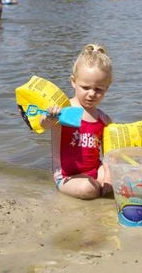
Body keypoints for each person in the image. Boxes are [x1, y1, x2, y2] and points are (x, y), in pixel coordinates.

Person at [40, 43, 113, 200]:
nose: (91, 94)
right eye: (85, 87)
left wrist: (108, 178)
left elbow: (108, 155)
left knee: (117, 183)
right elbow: (43, 125)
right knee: (89, 188)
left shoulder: (103, 119)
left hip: (94, 170)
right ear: (73, 81)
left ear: (107, 87)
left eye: (98, 89)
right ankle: (91, 188)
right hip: (67, 177)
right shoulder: (63, 110)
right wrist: (49, 117)